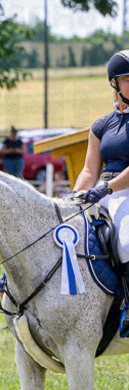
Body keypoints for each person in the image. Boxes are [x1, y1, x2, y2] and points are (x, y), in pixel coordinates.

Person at [74, 50, 129, 334]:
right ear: (115, 84)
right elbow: (88, 170)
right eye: (128, 79)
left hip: (125, 193)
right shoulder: (100, 126)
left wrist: (106, 188)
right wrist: (74, 198)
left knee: (126, 242)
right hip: (100, 192)